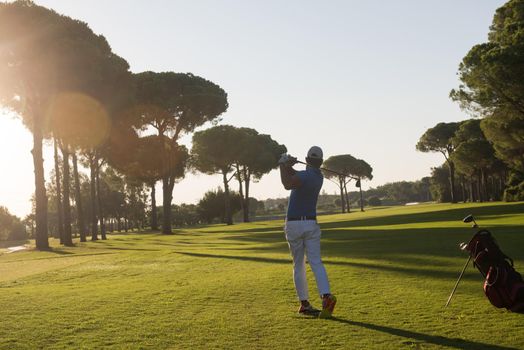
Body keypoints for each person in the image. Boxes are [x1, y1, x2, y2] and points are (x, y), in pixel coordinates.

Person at [279, 146, 336, 318]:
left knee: (299, 265)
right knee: (316, 262)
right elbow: (297, 176)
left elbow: (287, 183)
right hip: (311, 224)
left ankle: (304, 304)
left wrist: (282, 165)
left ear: (307, 159)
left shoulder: (304, 176)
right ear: (321, 162)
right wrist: (290, 166)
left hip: (295, 224)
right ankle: (326, 296)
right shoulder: (318, 176)